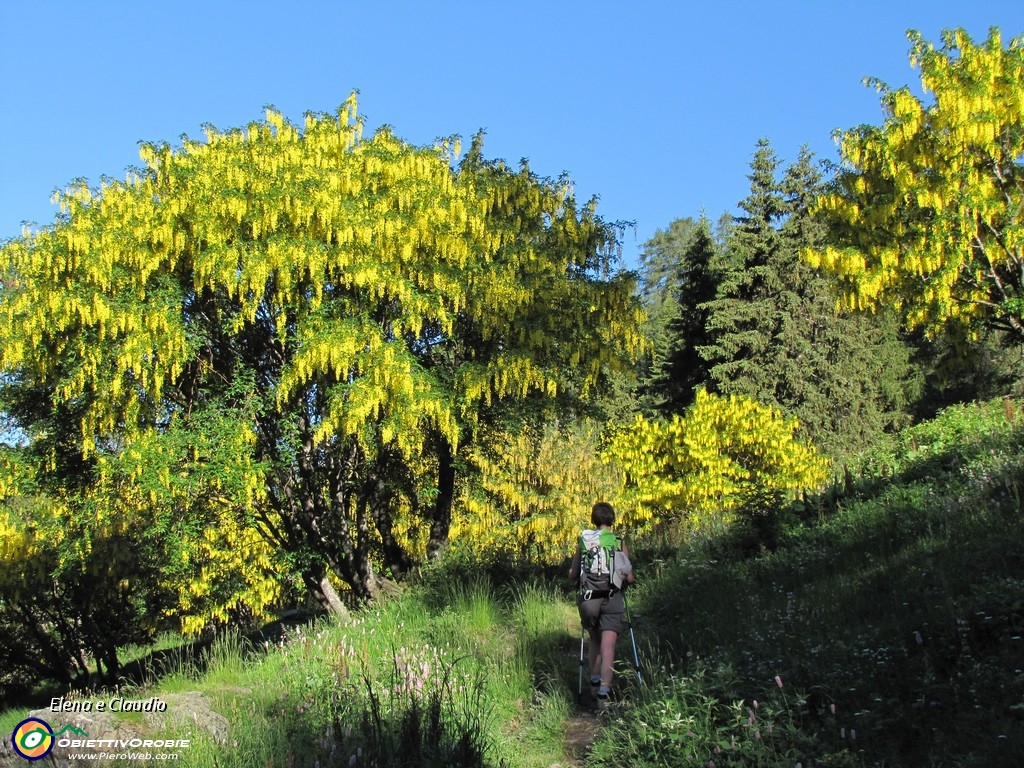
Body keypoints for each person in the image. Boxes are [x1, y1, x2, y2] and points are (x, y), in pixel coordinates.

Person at [568, 501, 634, 710]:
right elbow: (629, 577)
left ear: (593, 520)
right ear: (612, 520)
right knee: (608, 646)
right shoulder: (617, 542)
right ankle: (604, 693)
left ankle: (594, 681)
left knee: (594, 640)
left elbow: (572, 574)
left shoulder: (584, 541)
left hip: (589, 599)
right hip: (612, 598)